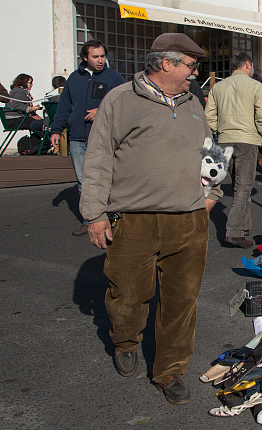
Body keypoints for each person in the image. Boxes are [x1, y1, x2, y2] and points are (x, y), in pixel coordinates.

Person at [80, 33, 220, 405]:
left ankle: (170, 370)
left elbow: (212, 152)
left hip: (188, 221)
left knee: (181, 301)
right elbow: (98, 159)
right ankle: (126, 342)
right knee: (127, 296)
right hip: (134, 220)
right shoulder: (120, 100)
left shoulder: (193, 102)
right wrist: (95, 215)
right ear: (166, 63)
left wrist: (212, 195)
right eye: (191, 65)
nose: (195, 73)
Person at [49, 40, 125, 236]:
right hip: (77, 137)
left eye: (102, 56)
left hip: (103, 136)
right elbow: (64, 107)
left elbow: (125, 103)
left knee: (107, 178)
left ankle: (113, 218)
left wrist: (101, 110)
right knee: (84, 181)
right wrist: (56, 130)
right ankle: (90, 220)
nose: (100, 60)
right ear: (85, 58)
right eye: (95, 56)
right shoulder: (74, 78)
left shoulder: (114, 78)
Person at [205, 52, 262, 248]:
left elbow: (209, 116)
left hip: (224, 140)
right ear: (248, 65)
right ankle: (234, 231)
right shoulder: (255, 86)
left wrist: (218, 131)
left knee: (219, 186)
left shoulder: (218, 87)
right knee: (243, 187)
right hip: (247, 140)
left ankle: (242, 229)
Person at [6, 74, 46, 140]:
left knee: (40, 123)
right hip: (14, 120)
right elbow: (17, 105)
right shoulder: (19, 91)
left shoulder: (19, 90)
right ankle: (44, 142)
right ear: (24, 82)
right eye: (30, 82)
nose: (32, 84)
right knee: (38, 125)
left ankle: (37, 142)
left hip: (16, 118)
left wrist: (34, 113)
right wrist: (33, 108)